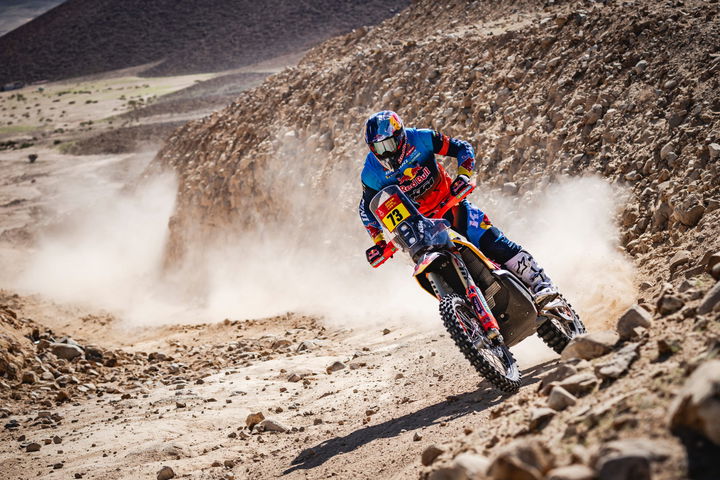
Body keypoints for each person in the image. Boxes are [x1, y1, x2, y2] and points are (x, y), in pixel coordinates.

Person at [358, 111, 558, 335]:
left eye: (389, 144)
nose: (385, 152)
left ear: (401, 136)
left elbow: (462, 148)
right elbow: (367, 210)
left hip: (451, 205)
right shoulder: (370, 173)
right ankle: (468, 318)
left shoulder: (422, 138)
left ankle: (542, 284)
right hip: (421, 227)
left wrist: (463, 176)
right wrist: (379, 242)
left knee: (490, 241)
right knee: (432, 268)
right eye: (378, 148)